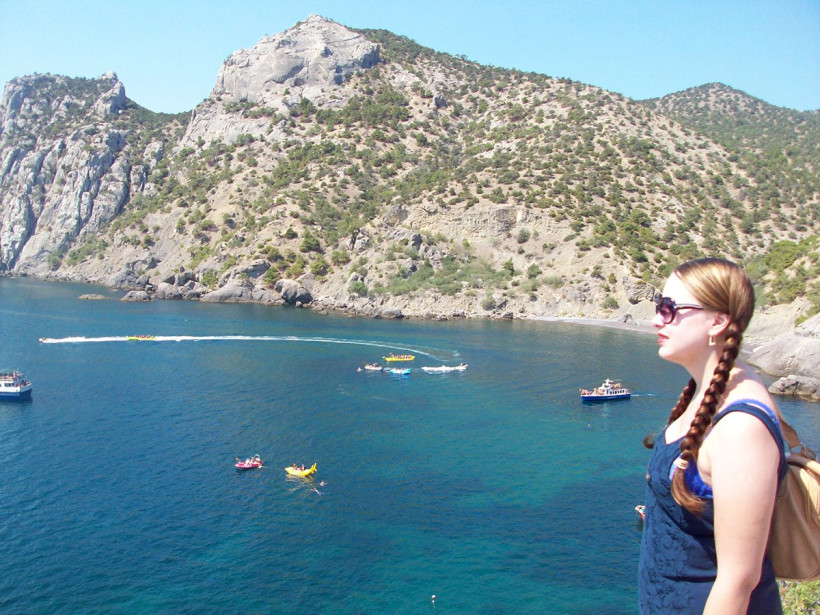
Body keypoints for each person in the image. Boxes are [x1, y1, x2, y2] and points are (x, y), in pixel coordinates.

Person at [639, 257, 786, 614]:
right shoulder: (705, 390)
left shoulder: (741, 428)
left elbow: (739, 579)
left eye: (670, 308)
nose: (657, 318)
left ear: (717, 321)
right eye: (659, 305)